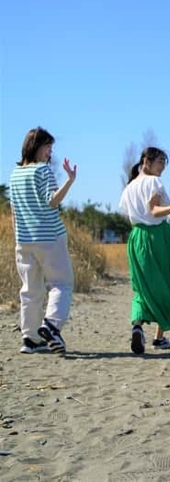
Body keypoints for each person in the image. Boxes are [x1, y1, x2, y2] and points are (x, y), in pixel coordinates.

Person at [118, 147, 170, 354]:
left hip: (136, 237)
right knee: (166, 283)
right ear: (146, 161)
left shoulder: (129, 187)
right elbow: (153, 211)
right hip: (157, 237)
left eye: (164, 162)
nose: (163, 167)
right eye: (160, 161)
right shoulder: (153, 182)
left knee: (141, 286)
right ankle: (158, 338)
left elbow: (131, 214)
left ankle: (137, 325)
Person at [9, 127, 77, 354]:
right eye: (48, 146)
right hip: (50, 237)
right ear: (36, 146)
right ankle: (52, 326)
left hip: (23, 241)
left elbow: (13, 211)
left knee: (30, 290)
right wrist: (70, 180)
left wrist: (18, 238)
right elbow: (52, 201)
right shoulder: (43, 170)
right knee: (62, 283)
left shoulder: (15, 173)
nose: (50, 152)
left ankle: (30, 339)